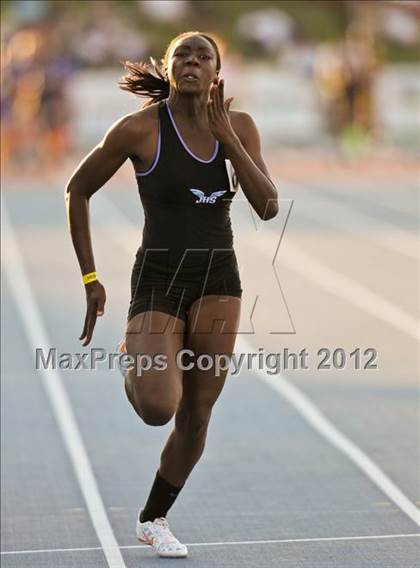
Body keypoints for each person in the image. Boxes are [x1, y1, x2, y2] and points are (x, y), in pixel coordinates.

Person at [65, 30, 278, 559]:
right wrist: (92, 279)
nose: (191, 62)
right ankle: (136, 356)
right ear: (169, 66)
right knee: (160, 407)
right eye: (182, 54)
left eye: (203, 56)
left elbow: (269, 206)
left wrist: (228, 139)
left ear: (216, 73)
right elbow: (77, 189)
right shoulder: (139, 129)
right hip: (159, 279)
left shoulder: (241, 127)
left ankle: (154, 517)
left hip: (218, 280)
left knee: (198, 414)